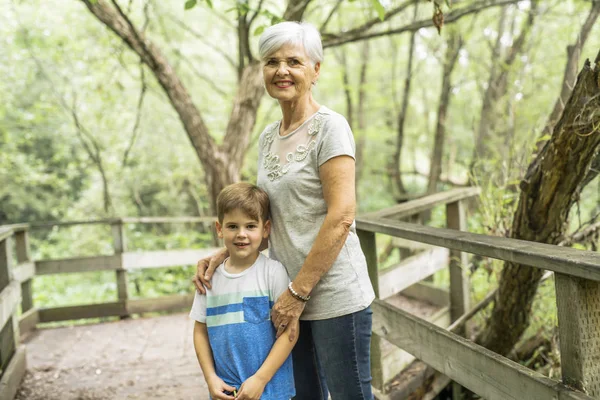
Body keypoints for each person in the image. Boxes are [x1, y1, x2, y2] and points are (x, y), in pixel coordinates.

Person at [193, 21, 375, 400]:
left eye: (294, 61)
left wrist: (300, 290)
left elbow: (342, 215)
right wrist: (227, 251)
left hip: (331, 293)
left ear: (316, 70)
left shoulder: (331, 129)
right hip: (282, 296)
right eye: (272, 62)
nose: (282, 71)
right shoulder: (267, 136)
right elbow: (268, 213)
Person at [190, 183, 296, 400]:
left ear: (265, 229)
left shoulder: (273, 273)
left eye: (250, 226)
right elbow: (200, 331)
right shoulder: (209, 278)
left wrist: (260, 379)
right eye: (232, 226)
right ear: (219, 229)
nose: (241, 234)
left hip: (270, 390)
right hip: (226, 391)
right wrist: (211, 379)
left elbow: (289, 333)